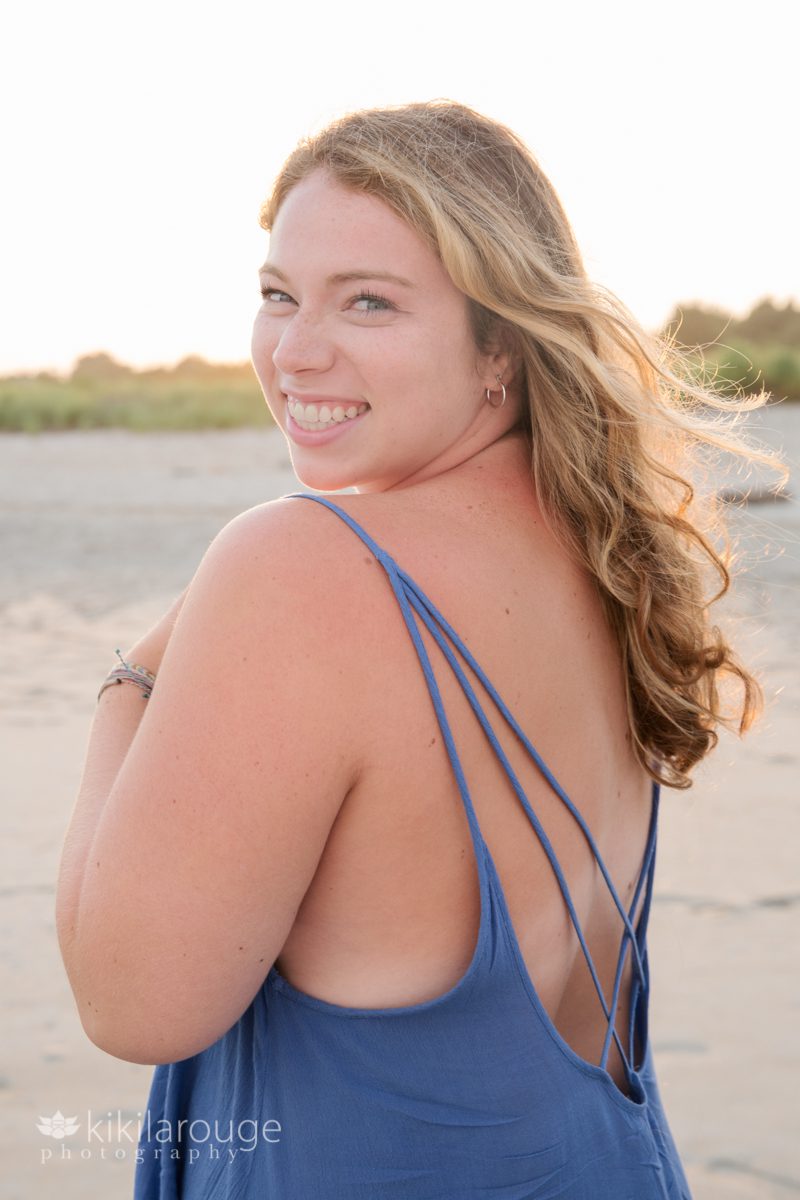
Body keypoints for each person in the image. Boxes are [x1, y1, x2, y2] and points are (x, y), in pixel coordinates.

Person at [56, 100, 770, 1198]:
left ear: (500, 345)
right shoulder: (608, 559)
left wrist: (128, 681)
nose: (294, 350)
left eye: (369, 302)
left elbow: (133, 1002)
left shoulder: (302, 567)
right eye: (277, 295)